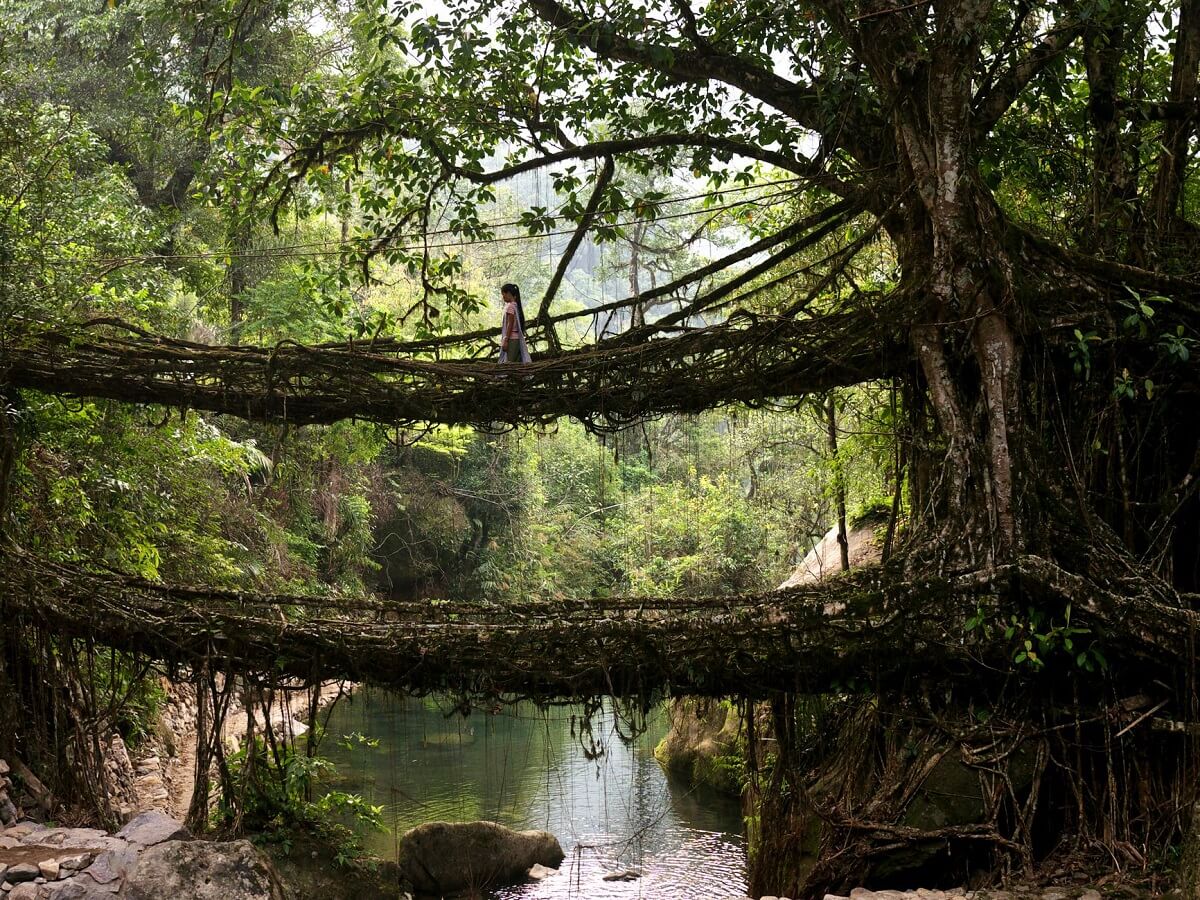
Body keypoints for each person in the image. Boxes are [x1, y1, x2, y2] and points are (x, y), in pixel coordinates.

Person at [498, 283, 531, 363]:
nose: (503, 297)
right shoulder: (516, 306)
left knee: (508, 363)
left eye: (504, 295)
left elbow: (510, 324)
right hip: (516, 338)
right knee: (515, 363)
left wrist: (506, 340)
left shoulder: (510, 307)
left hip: (511, 339)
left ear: (509, 293)